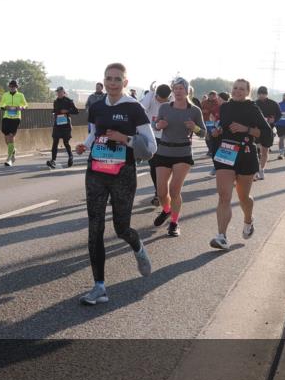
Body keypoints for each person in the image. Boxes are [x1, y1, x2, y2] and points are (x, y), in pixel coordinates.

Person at [73, 63, 155, 305]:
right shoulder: (96, 107)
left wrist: (125, 139)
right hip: (96, 171)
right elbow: (94, 133)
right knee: (95, 228)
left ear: (125, 83)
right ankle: (99, 287)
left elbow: (151, 147)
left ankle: (138, 247)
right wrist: (84, 146)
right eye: (109, 78)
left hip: (123, 174)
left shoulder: (135, 108)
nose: (112, 83)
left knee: (121, 228)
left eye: (117, 79)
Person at [208, 78, 272, 250]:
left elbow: (267, 135)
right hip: (225, 154)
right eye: (235, 88)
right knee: (224, 196)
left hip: (245, 155)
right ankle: (221, 236)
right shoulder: (225, 107)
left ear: (247, 92)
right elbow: (222, 127)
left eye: (242, 89)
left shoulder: (253, 109)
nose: (237, 91)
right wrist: (217, 132)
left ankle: (248, 220)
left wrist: (247, 129)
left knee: (243, 197)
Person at [151, 77, 206, 236]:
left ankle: (174, 223)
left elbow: (203, 133)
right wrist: (158, 125)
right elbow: (156, 124)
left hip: (183, 153)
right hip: (164, 151)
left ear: (187, 90)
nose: (178, 91)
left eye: (181, 88)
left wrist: (194, 127)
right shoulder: (165, 107)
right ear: (172, 91)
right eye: (175, 88)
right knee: (161, 192)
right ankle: (167, 210)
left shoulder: (194, 110)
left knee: (174, 190)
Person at [141, 83, 171, 205]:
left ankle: (163, 192)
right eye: (160, 99)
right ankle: (158, 192)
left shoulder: (172, 98)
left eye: (165, 100)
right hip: (151, 137)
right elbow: (141, 107)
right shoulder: (150, 96)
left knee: (165, 167)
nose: (162, 102)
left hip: (168, 138)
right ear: (156, 94)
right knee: (154, 166)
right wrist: (150, 93)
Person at [47, 86, 79, 169]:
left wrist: (67, 111)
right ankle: (53, 160)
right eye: (57, 92)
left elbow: (76, 111)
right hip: (57, 124)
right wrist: (54, 112)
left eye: (60, 92)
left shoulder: (69, 101)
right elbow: (55, 110)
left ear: (63, 92)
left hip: (66, 125)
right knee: (55, 143)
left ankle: (71, 157)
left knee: (66, 142)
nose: (58, 93)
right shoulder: (55, 101)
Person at [254, 86, 280, 180]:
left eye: (263, 94)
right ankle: (255, 170)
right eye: (260, 94)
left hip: (268, 130)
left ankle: (261, 169)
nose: (262, 96)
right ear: (258, 94)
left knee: (265, 151)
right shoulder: (254, 103)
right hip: (256, 130)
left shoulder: (273, 103)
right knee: (256, 152)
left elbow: (279, 115)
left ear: (266, 94)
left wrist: (274, 120)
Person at [0, 78, 27, 166]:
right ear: (9, 87)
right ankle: (13, 150)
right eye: (10, 86)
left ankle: (9, 158)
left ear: (16, 87)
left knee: (11, 136)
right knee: (6, 138)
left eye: (14, 87)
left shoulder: (20, 95)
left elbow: (25, 104)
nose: (12, 88)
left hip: (16, 118)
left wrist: (21, 107)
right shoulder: (5, 95)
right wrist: (5, 107)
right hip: (6, 117)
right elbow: (1, 104)